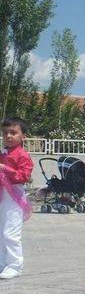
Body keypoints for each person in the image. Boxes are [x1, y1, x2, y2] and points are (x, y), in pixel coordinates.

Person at [0, 117, 34, 279]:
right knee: (1, 231)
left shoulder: (22, 155)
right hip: (2, 195)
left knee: (10, 232)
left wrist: (6, 169)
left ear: (23, 136)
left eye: (13, 133)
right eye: (5, 133)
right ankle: (2, 262)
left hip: (14, 196)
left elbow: (24, 176)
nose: (8, 136)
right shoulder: (3, 153)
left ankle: (15, 265)